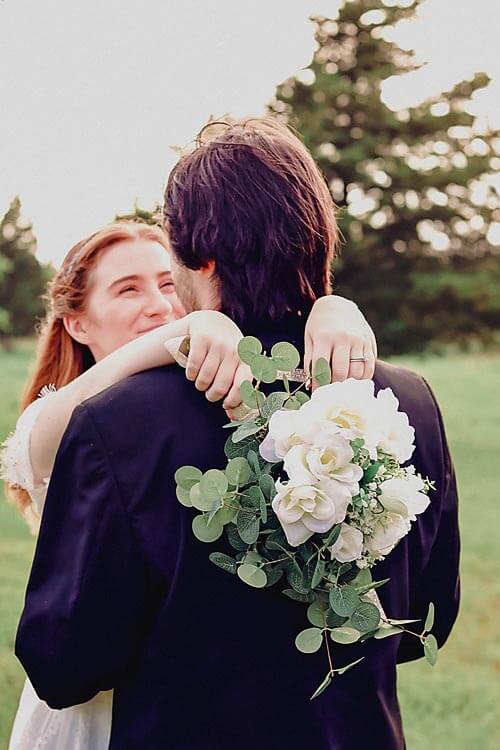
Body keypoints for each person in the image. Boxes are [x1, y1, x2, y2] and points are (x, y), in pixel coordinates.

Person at [14, 119, 460, 750]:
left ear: (194, 254)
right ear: (319, 239)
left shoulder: (120, 422)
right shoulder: (406, 400)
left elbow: (64, 663)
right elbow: (424, 618)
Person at [2, 219, 377, 750]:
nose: (157, 303)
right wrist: (185, 329)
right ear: (78, 323)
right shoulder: (57, 424)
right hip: (97, 715)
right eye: (128, 289)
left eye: (164, 282)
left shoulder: (209, 406)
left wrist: (335, 307)